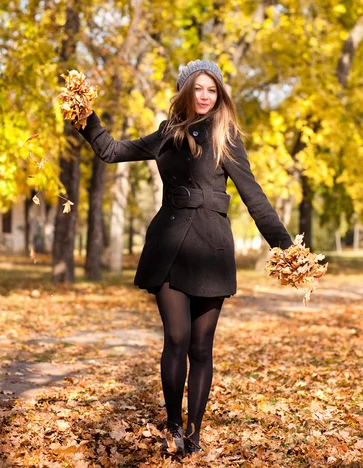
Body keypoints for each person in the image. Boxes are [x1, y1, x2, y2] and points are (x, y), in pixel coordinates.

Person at [76, 59, 293, 456]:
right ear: (187, 92)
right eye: (199, 88)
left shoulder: (227, 137)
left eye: (212, 89)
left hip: (212, 250)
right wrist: (84, 114)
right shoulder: (167, 133)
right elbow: (109, 151)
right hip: (169, 246)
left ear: (219, 94)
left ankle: (194, 432)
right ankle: (173, 424)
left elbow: (254, 196)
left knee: (201, 347)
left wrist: (285, 247)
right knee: (175, 338)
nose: (206, 95)